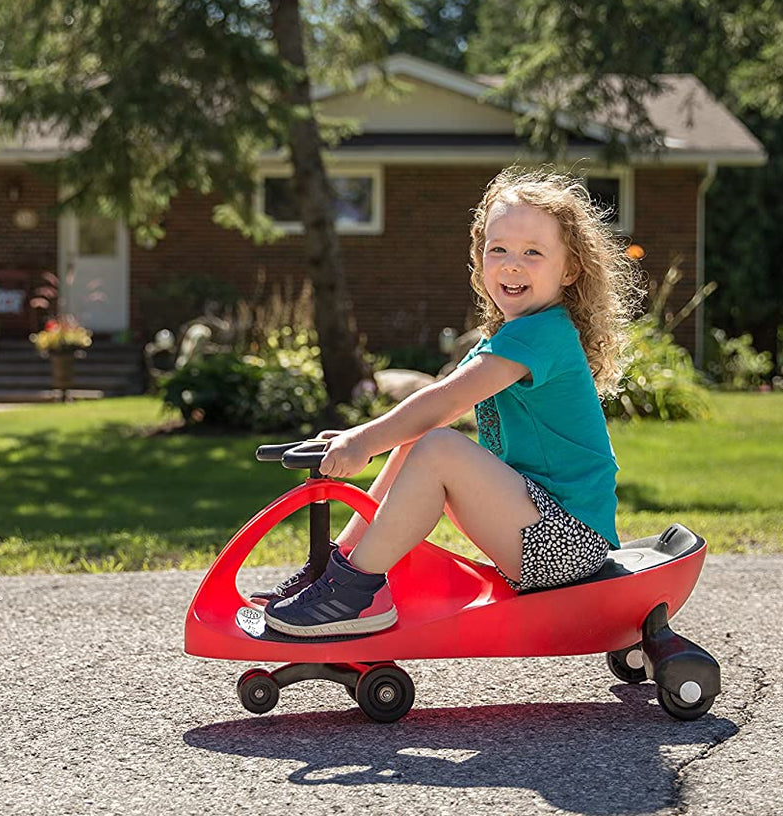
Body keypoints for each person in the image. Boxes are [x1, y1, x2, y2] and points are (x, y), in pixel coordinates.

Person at [262, 169, 641, 638]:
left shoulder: (544, 333)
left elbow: (444, 403)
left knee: (438, 445)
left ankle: (356, 593)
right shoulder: (508, 335)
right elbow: (429, 406)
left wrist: (363, 440)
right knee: (417, 442)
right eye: (497, 249)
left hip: (569, 543)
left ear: (570, 270)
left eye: (533, 253)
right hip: (537, 527)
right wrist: (357, 438)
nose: (511, 264)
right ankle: (335, 572)